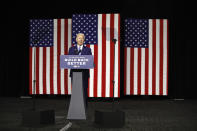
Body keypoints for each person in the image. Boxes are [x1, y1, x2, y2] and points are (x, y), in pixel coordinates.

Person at [68, 33, 92, 108]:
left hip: (84, 73)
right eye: (79, 38)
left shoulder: (88, 49)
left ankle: (84, 107)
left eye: (82, 38)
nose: (80, 39)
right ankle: (75, 107)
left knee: (84, 90)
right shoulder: (71, 49)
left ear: (84, 40)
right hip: (74, 73)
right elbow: (68, 60)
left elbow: (90, 61)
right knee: (75, 91)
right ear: (76, 39)